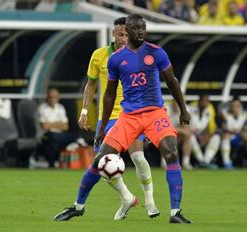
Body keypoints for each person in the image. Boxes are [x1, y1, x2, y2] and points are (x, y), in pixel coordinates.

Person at [54, 17, 159, 221]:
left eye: (127, 34)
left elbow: (148, 87)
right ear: (113, 34)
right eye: (120, 34)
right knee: (100, 163)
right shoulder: (100, 56)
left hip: (133, 115)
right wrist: (84, 111)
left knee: (138, 157)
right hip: (108, 118)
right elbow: (90, 85)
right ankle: (124, 197)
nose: (123, 38)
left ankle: (150, 202)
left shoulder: (141, 56)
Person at [94, 14, 192, 223]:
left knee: (158, 154)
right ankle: (122, 198)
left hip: (150, 113)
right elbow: (103, 92)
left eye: (143, 28)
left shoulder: (155, 52)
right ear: (123, 32)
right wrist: (97, 122)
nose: (140, 31)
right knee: (101, 162)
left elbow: (172, 81)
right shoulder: (110, 58)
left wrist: (183, 109)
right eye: (134, 29)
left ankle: (165, 208)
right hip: (124, 116)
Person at [38, 88, 79, 168]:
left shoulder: (60, 108)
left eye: (54, 97)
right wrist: (58, 124)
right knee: (52, 137)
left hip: (60, 135)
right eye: (50, 97)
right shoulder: (42, 108)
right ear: (47, 98)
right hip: (46, 135)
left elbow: (65, 126)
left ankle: (59, 164)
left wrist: (50, 124)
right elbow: (44, 126)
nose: (52, 99)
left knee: (75, 136)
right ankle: (52, 164)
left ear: (58, 98)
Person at [220, 97, 247, 170]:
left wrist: (245, 134)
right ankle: (227, 163)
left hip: (240, 136)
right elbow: (223, 128)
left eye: (237, 106)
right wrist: (232, 132)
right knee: (226, 137)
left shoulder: (245, 113)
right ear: (230, 106)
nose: (235, 108)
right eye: (233, 106)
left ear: (241, 106)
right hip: (229, 135)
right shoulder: (224, 113)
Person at [188, 95, 220, 169]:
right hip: (191, 133)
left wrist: (207, 135)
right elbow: (185, 125)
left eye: (207, 102)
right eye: (204, 101)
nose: (205, 103)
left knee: (216, 137)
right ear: (199, 101)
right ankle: (201, 160)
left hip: (201, 135)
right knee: (191, 137)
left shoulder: (208, 111)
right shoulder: (191, 109)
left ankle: (206, 161)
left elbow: (210, 127)